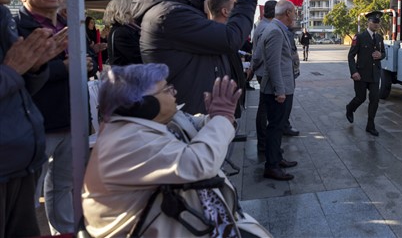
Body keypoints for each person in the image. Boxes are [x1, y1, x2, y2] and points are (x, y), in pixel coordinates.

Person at [82, 64, 271, 237]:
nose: (174, 92)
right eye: (166, 89)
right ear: (143, 103)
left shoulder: (150, 122)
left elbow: (192, 124)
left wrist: (215, 117)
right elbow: (197, 164)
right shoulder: (125, 141)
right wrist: (222, 118)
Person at [134, 0, 263, 114]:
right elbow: (230, 39)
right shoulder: (171, 14)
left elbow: (217, 38)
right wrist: (246, 3)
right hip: (186, 115)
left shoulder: (175, 11)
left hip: (192, 111)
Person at [14, 0, 92, 234]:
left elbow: (84, 58)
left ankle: (65, 230)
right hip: (37, 122)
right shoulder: (17, 29)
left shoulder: (70, 24)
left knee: (65, 184)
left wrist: (87, 61)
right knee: (27, 192)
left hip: (73, 118)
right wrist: (65, 68)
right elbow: (17, 72)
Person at [0, 0, 66, 238]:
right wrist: (17, 69)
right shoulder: (19, 23)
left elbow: (20, 86)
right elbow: (12, 74)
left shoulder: (4, 18)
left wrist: (35, 67)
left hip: (22, 151)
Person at [260, 0, 299, 181]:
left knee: (278, 126)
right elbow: (274, 64)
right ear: (288, 13)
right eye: (294, 12)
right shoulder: (275, 31)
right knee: (275, 128)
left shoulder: (276, 28)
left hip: (281, 87)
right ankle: (272, 166)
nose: (295, 15)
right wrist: (280, 90)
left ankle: (277, 158)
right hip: (278, 90)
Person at [205, 0, 250, 118]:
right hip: (221, 110)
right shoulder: (217, 39)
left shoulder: (226, 37)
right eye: (234, 8)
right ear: (225, 12)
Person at [345, 11, 386, 136]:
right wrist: (354, 72)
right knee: (360, 98)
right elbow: (351, 56)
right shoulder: (360, 37)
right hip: (361, 74)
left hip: (375, 74)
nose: (376, 25)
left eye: (378, 22)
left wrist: (381, 55)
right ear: (368, 22)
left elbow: (383, 53)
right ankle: (350, 108)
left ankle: (370, 125)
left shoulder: (379, 38)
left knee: (375, 99)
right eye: (374, 22)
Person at [251, 0, 277, 152]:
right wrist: (254, 67)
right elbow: (260, 54)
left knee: (265, 107)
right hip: (264, 72)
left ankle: (264, 141)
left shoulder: (264, 25)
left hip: (262, 71)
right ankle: (263, 142)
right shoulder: (266, 28)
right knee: (265, 108)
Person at [103, 0, 142, 66]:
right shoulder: (121, 32)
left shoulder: (120, 29)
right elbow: (137, 58)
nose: (135, 10)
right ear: (124, 11)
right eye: (132, 7)